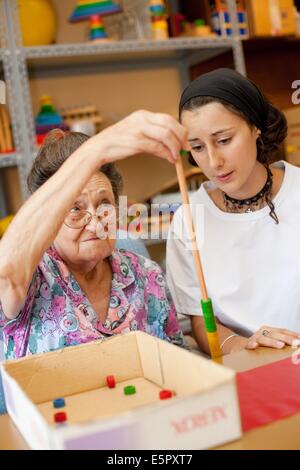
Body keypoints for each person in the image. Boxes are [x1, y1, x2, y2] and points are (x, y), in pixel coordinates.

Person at [0, 111, 189, 359]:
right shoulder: (31, 278)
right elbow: (5, 272)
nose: (96, 222)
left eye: (104, 204)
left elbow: (177, 359)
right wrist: (98, 149)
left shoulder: (146, 274)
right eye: (75, 208)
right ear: (50, 218)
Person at [166, 68, 300, 356]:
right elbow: (202, 322)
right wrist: (245, 346)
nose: (214, 161)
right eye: (198, 147)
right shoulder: (189, 221)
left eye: (224, 140)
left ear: (255, 127)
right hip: (247, 365)